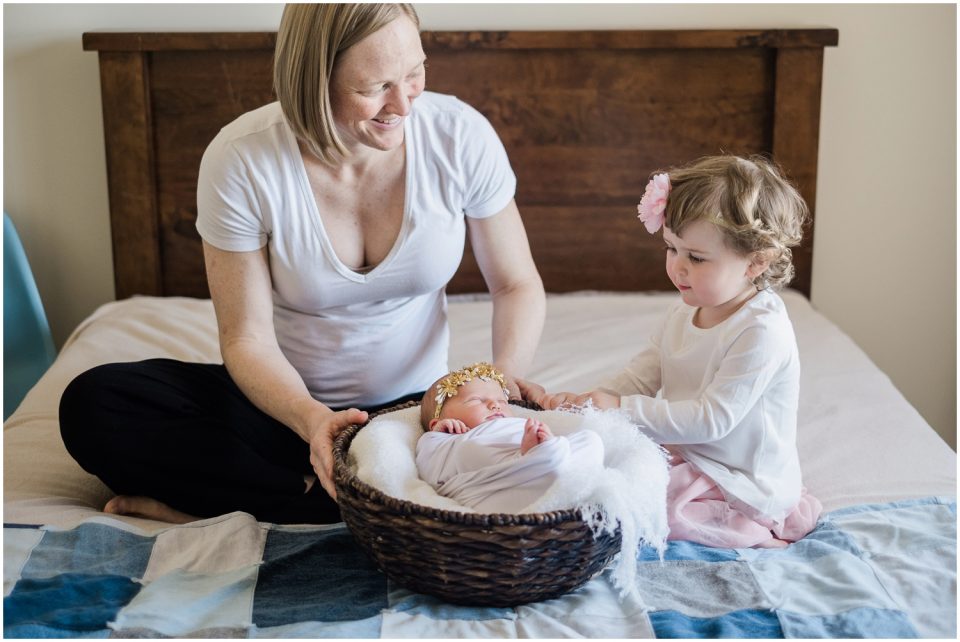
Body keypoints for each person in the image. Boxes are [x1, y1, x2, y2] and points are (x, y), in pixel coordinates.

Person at [58, 3, 545, 525]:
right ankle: (367, 503)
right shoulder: (243, 159)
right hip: (286, 414)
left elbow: (516, 283)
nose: (403, 103)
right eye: (374, 87)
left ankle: (261, 505)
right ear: (315, 80)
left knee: (522, 456)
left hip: (418, 415)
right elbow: (245, 338)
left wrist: (501, 388)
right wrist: (313, 422)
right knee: (93, 405)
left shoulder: (460, 137)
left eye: (414, 72)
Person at [519, 155, 822, 548]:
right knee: (601, 459)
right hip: (691, 454)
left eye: (695, 258)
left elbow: (711, 421)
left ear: (755, 262)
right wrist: (589, 405)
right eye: (671, 248)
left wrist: (618, 408)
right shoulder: (685, 309)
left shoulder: (761, 331)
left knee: (635, 501)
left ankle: (750, 530)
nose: (677, 268)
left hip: (738, 477)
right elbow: (640, 376)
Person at [416, 362, 604, 513]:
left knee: (591, 439)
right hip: (491, 488)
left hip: (532, 477)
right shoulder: (446, 440)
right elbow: (430, 469)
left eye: (501, 401)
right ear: (438, 421)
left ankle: (544, 458)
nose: (495, 405)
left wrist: (546, 439)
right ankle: (543, 458)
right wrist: (438, 434)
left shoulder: (520, 423)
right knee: (470, 449)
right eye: (476, 400)